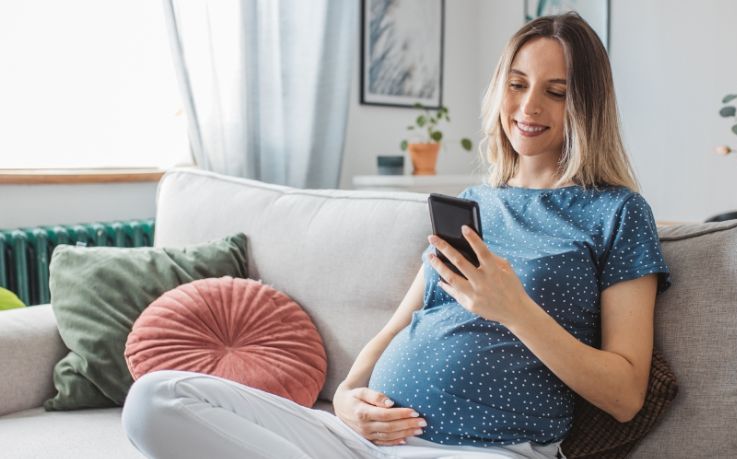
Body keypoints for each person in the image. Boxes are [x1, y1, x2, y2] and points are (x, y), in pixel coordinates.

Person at [122, 12, 671, 459]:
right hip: (366, 440)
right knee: (157, 397)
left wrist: (514, 309)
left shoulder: (616, 213)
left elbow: (624, 395)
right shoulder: (474, 206)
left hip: (487, 449)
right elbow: (400, 323)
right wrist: (346, 401)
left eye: (555, 91)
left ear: (586, 105)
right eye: (517, 84)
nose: (528, 108)